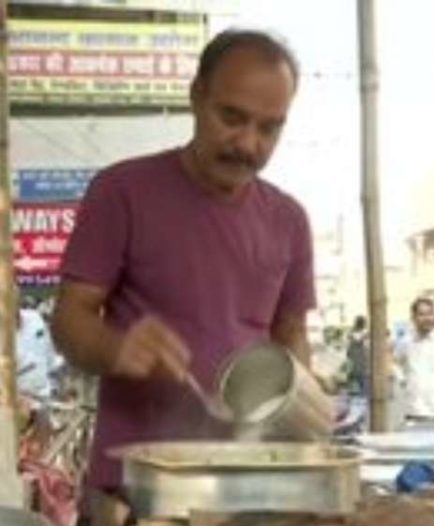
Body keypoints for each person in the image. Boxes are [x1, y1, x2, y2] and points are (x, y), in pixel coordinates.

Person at [52, 30, 315, 496]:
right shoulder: (121, 192)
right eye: (232, 117)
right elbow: (70, 319)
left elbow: (290, 332)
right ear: (196, 97)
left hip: (245, 491)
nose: (248, 144)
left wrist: (299, 400)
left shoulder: (289, 220)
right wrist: (116, 349)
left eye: (269, 127)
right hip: (134, 494)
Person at [345, 315, 368, 395]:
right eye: (365, 323)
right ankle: (359, 393)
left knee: (355, 376)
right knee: (360, 377)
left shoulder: (352, 333)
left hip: (355, 357)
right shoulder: (360, 333)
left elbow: (349, 347)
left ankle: (355, 392)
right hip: (359, 358)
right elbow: (358, 340)